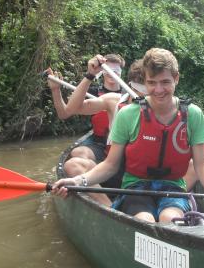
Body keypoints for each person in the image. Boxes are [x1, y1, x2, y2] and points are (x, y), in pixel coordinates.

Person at [52, 48, 204, 223]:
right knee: (144, 220)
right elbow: (110, 165)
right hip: (135, 187)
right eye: (152, 83)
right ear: (145, 82)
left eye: (165, 82)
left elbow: (201, 163)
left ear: (176, 79)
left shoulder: (193, 114)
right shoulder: (128, 114)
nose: (159, 89)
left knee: (169, 219)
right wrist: (78, 180)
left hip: (173, 186)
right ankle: (114, 214)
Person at [47, 55, 141, 205]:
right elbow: (66, 112)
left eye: (116, 70)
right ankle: (110, 208)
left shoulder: (162, 106)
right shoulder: (112, 99)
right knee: (77, 156)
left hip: (139, 168)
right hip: (106, 149)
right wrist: (89, 75)